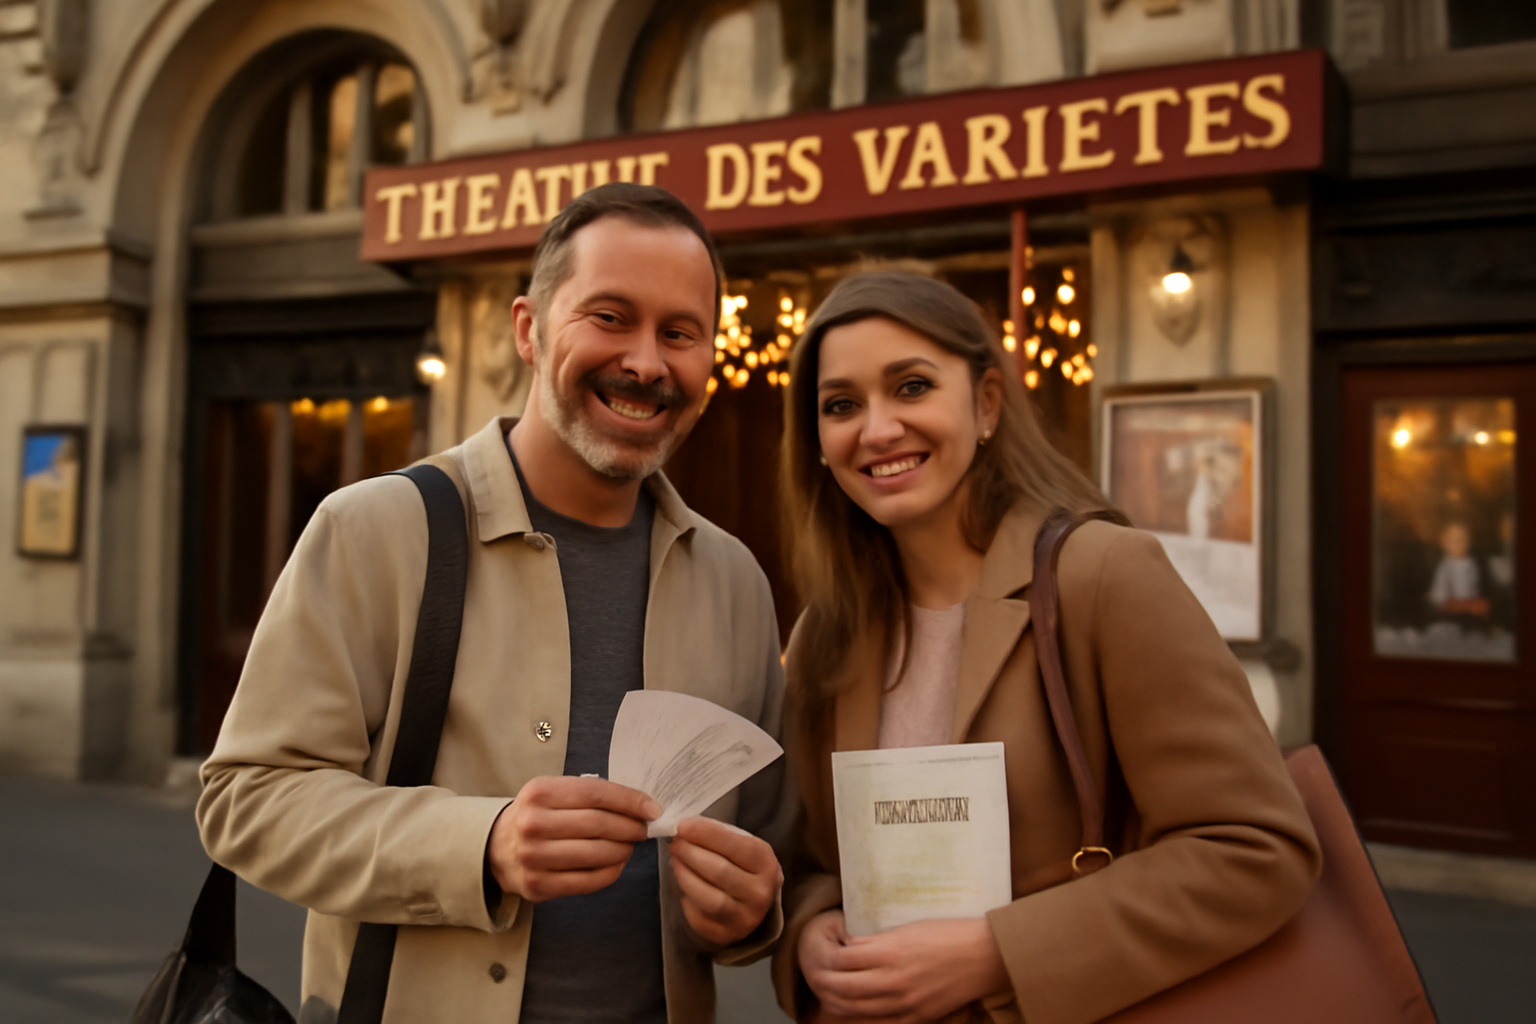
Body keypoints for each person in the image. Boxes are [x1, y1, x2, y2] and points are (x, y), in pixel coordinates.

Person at [198, 183, 789, 1024]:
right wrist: (483, 843)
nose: (648, 363)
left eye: (680, 333)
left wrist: (753, 913)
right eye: (610, 317)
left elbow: (772, 843)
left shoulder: (736, 582)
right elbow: (245, 801)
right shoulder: (376, 529)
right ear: (528, 329)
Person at [769, 273, 1321, 1024]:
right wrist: (809, 931)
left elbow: (1258, 849)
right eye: (841, 405)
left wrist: (998, 954)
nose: (877, 429)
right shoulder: (823, 633)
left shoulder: (1102, 575)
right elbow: (808, 862)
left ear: (987, 403)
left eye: (912, 387)